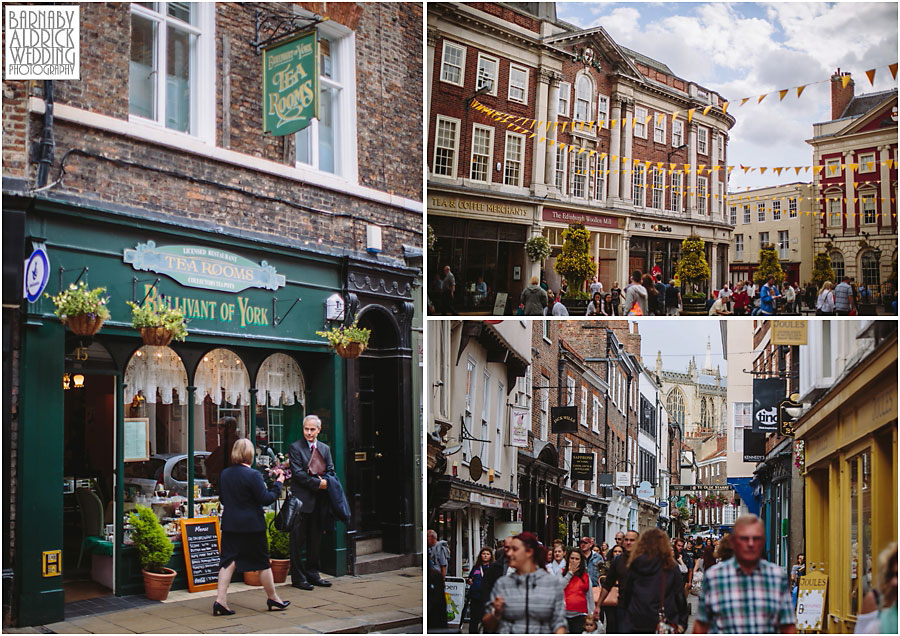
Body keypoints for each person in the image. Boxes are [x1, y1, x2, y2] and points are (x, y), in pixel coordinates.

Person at [213, 439, 289, 615]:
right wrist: (279, 484)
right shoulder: (253, 475)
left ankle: (220, 601)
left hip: (231, 524)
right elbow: (266, 499)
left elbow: (223, 499)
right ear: (250, 454)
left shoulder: (225, 474)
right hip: (252, 526)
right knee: (262, 562)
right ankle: (273, 598)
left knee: (227, 561)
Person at [694, 514, 795, 634]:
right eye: (744, 538)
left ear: (763, 541)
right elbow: (701, 626)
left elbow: (787, 627)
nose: (751, 543)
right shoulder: (714, 577)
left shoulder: (777, 577)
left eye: (756, 538)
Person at [482, 532, 566, 634]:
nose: (509, 553)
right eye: (508, 549)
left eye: (515, 549)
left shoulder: (551, 584)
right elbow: (488, 624)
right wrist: (496, 613)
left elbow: (559, 623)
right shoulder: (503, 584)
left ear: (529, 552)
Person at [288, 415, 335, 590]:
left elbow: (330, 469)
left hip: (319, 502)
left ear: (319, 430)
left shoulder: (324, 449)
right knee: (297, 542)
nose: (308, 432)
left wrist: (326, 481)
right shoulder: (295, 447)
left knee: (315, 540)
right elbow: (298, 474)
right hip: (300, 502)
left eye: (312, 429)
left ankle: (313, 574)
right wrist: (318, 483)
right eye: (306, 429)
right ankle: (298, 579)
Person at [620, 528, 688, 633]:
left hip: (637, 620)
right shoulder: (670, 566)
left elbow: (627, 592)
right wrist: (682, 623)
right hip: (663, 620)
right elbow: (679, 595)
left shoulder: (635, 564)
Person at [598, 529, 638, 631]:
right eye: (626, 540)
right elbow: (608, 584)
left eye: (632, 540)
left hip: (641, 608)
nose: (628, 542)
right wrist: (599, 605)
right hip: (623, 606)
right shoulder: (618, 560)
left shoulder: (646, 560)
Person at [563, 548, 596, 634]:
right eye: (572, 558)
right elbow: (558, 587)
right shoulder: (561, 573)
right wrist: (570, 573)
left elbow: (589, 596)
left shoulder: (585, 576)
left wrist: (591, 613)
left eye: (577, 559)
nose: (574, 561)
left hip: (580, 615)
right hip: (563, 614)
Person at [206, 416, 240, 493]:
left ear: (230, 429)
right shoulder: (222, 447)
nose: (218, 432)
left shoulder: (235, 446)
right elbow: (209, 462)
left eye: (221, 428)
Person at [468, 547, 494, 634]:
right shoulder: (476, 567)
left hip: (487, 598)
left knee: (486, 619)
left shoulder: (493, 568)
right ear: (480, 555)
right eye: (484, 554)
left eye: (488, 554)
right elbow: (470, 577)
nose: (485, 556)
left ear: (491, 556)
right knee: (474, 619)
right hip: (475, 597)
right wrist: (470, 580)